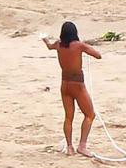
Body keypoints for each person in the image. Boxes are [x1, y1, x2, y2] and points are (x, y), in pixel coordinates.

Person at [41, 22, 102, 157]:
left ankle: (69, 147)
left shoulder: (58, 44)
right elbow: (98, 55)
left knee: (68, 117)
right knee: (90, 114)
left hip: (65, 84)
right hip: (77, 85)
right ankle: (82, 145)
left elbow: (49, 46)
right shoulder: (78, 45)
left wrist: (45, 40)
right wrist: (85, 47)